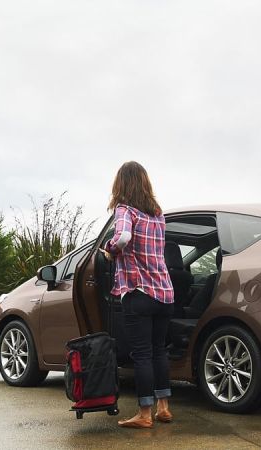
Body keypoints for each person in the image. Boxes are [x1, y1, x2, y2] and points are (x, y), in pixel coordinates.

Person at [102, 161, 175, 428]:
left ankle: (144, 414)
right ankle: (163, 407)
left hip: (140, 291)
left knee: (141, 354)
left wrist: (111, 249)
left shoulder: (125, 210)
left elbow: (122, 238)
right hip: (165, 293)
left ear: (121, 184)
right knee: (159, 351)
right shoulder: (157, 214)